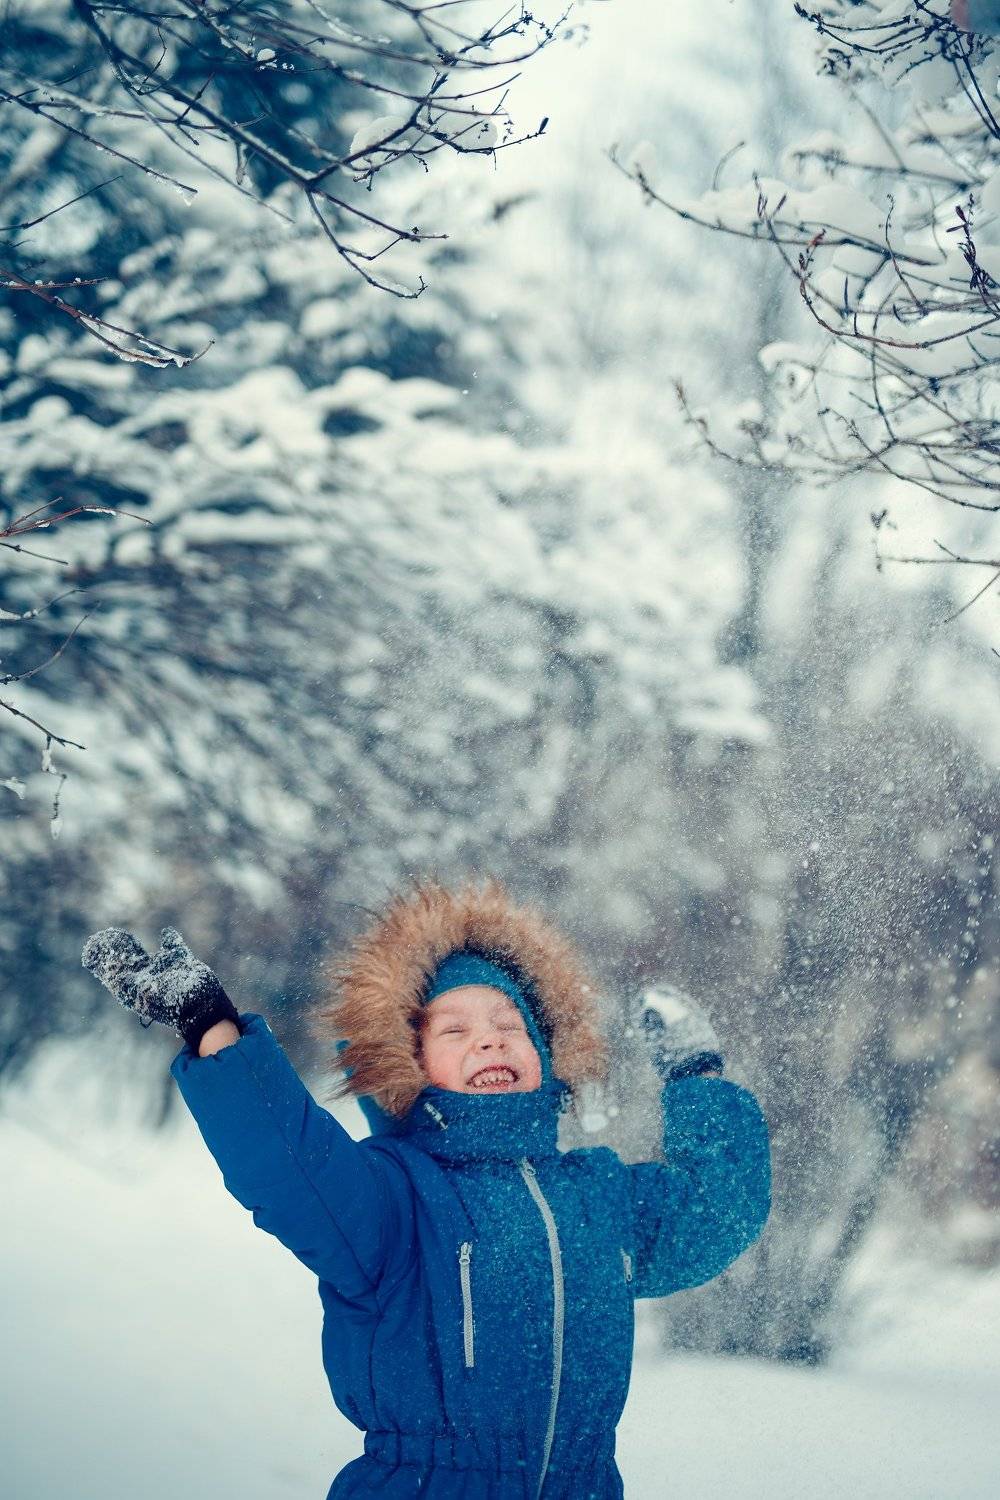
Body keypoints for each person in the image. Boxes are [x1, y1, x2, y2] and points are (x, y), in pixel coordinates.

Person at [82, 878, 771, 1499]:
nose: (490, 1041)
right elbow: (288, 1164)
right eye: (456, 1029)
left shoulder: (598, 1196)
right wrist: (213, 1030)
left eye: (509, 1025)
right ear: (410, 1062)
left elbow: (718, 1211)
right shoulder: (394, 1196)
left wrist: (698, 1077)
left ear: (546, 1052)